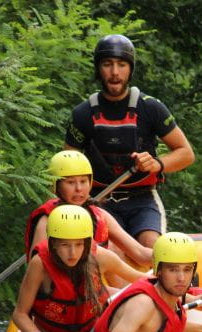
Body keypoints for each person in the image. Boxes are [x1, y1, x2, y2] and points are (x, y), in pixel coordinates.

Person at [65, 34, 195, 249]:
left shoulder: (151, 108)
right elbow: (66, 167)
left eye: (122, 64)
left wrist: (157, 164)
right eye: (108, 64)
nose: (115, 73)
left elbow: (185, 153)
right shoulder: (82, 114)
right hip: (99, 200)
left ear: (130, 69)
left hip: (143, 200)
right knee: (113, 250)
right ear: (98, 69)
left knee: (152, 247)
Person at [12, 205, 148, 332]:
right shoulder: (40, 265)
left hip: (95, 331)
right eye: (65, 245)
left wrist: (183, 289)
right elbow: (20, 314)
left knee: (138, 301)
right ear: (53, 243)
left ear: (88, 242)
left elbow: (144, 281)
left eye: (78, 244)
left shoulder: (100, 257)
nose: (72, 253)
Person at [24, 150, 153, 268]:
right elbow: (38, 268)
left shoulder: (99, 215)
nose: (79, 188)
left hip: (95, 286)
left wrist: (168, 254)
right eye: (70, 182)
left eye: (83, 181)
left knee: (114, 250)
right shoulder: (46, 221)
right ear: (56, 186)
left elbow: (140, 253)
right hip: (62, 289)